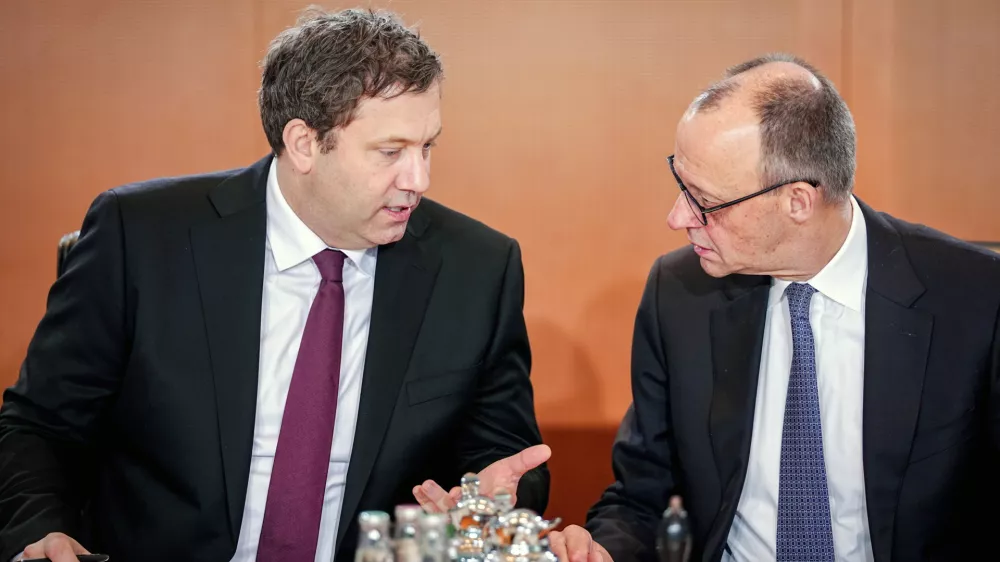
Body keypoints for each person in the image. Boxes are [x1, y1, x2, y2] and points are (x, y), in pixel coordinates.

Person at [0, 8, 550, 562]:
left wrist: (488, 502)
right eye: (391, 152)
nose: (419, 179)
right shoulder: (141, 237)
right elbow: (40, 426)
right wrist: (39, 531)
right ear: (304, 143)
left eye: (427, 147)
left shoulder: (476, 268)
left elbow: (505, 456)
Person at [551, 53, 1000, 562]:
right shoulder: (678, 294)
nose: (677, 218)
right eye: (680, 184)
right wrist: (604, 551)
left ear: (798, 202)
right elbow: (642, 497)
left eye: (705, 201)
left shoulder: (975, 299)